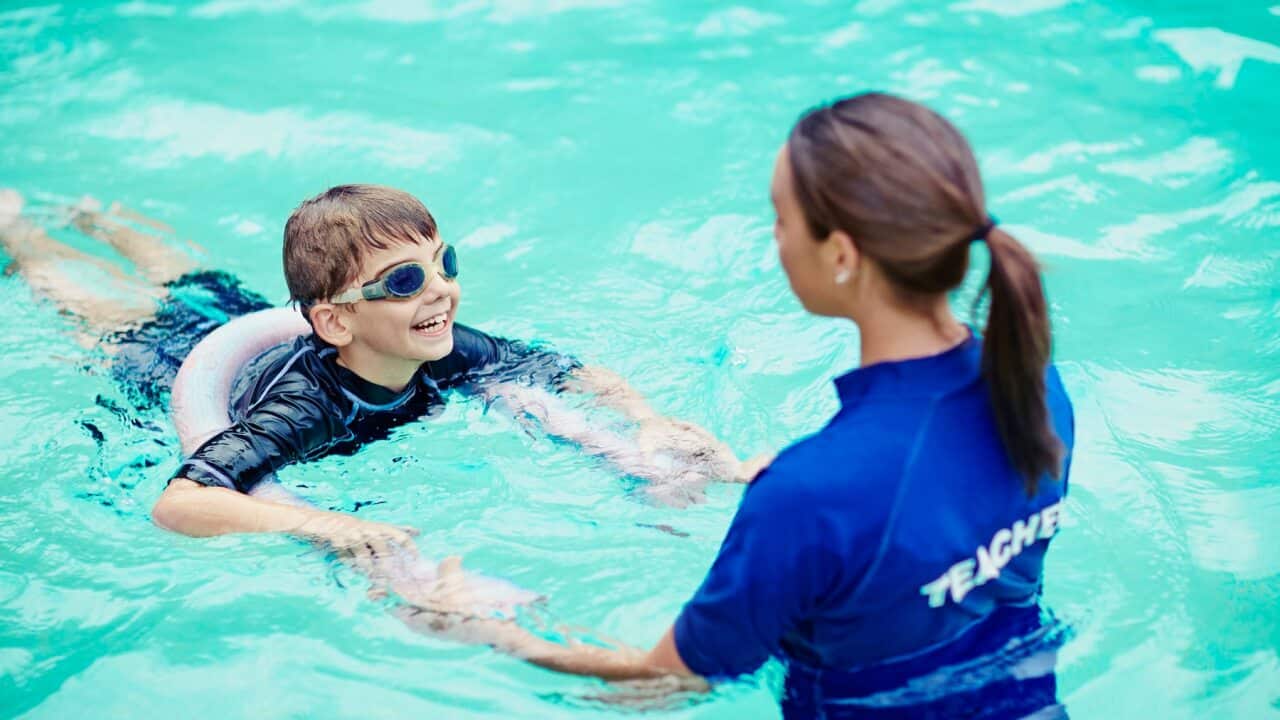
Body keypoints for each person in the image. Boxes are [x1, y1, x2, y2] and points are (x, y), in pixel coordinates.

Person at [421, 93, 1077, 719]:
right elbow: (930, 529)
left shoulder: (810, 496)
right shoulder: (1033, 382)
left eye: (782, 217)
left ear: (841, 254)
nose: (776, 237)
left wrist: (488, 627)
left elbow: (666, 683)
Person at [0, 185, 756, 572]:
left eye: (443, 263)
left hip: (240, 328)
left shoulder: (444, 344)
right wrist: (325, 524)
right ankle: (23, 234)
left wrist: (649, 420)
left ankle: (99, 216)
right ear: (336, 321)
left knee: (193, 276)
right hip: (181, 367)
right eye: (404, 281)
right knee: (98, 308)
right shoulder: (306, 407)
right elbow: (182, 504)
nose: (441, 291)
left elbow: (571, 373)